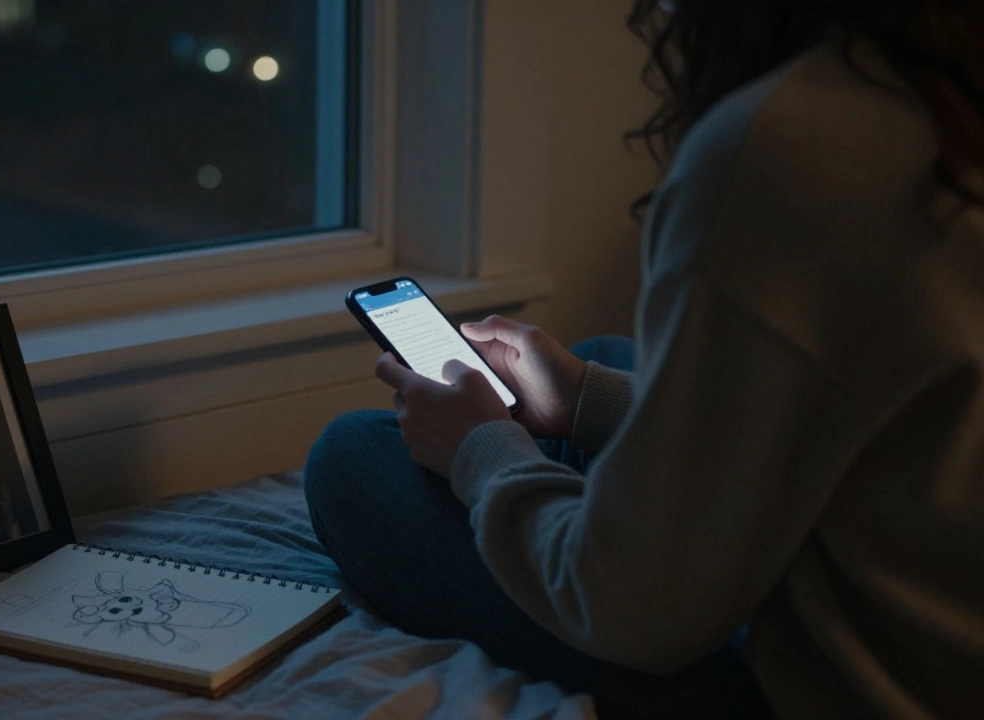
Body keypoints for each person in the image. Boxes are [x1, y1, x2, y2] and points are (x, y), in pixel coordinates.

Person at [304, 1, 984, 718]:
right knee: (599, 363)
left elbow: (631, 609)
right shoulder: (945, 97)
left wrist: (481, 450)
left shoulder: (788, 147)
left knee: (351, 460)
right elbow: (885, 411)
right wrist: (581, 395)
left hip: (858, 694)